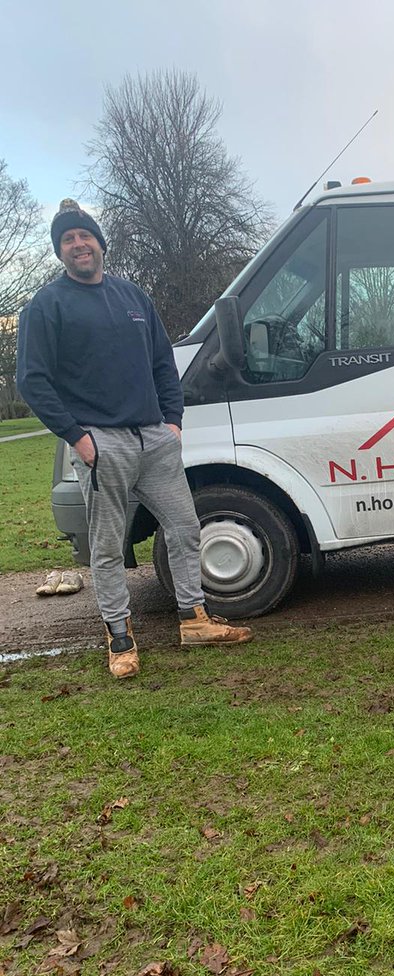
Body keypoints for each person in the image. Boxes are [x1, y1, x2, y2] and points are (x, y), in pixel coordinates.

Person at [17, 199, 252, 677]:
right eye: (68, 239)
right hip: (101, 446)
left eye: (85, 235)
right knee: (107, 547)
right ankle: (119, 636)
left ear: (100, 243)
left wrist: (173, 422)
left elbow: (164, 364)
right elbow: (32, 380)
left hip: (154, 439)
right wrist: (78, 438)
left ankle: (194, 619)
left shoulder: (133, 298)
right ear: (60, 252)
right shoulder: (46, 306)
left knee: (185, 530)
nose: (79, 244)